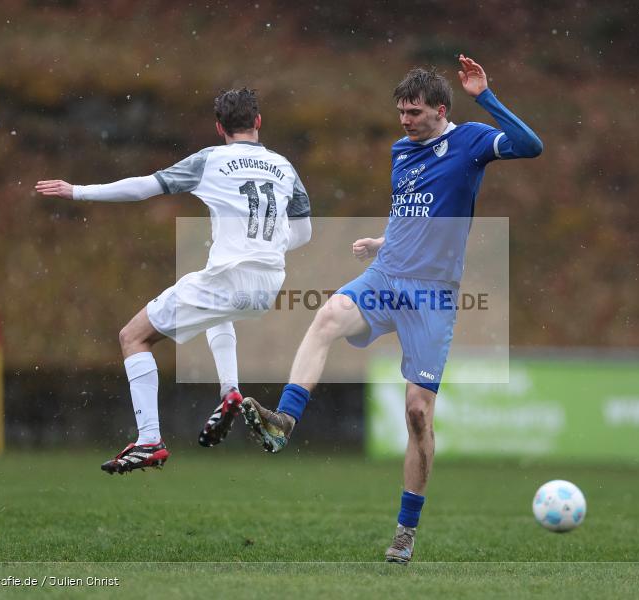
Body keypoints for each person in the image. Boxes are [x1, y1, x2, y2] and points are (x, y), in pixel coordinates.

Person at [239, 55, 542, 563]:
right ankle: (284, 421)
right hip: (387, 277)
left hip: (432, 295)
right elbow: (415, 212)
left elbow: (531, 146)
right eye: (401, 111)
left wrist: (485, 97)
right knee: (326, 317)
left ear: (441, 110)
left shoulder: (469, 141)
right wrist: (383, 242)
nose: (405, 120)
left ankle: (405, 531)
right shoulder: (402, 150)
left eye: (414, 112)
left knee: (417, 414)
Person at [35, 88, 311, 474]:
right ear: (258, 122)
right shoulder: (284, 167)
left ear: (219, 127)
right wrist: (269, 246)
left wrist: (78, 191)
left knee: (133, 337)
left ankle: (149, 439)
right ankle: (230, 391)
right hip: (268, 284)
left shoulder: (210, 160)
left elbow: (144, 186)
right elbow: (304, 233)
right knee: (218, 312)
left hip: (228, 278)